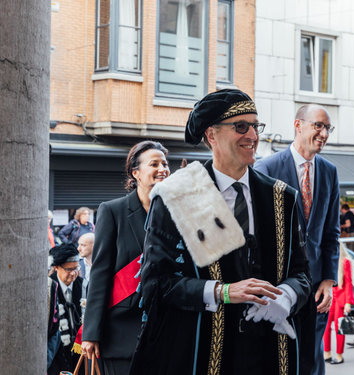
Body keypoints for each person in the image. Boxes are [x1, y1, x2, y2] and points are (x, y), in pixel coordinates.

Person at [130, 89, 313, 374]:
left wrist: (286, 297)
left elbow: (302, 273)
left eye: (256, 126)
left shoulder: (282, 197)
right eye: (241, 126)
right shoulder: (177, 195)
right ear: (212, 135)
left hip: (270, 353)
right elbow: (156, 284)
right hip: (205, 352)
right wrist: (221, 291)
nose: (252, 135)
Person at [255, 103, 340, 375]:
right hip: (278, 288)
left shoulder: (330, 171)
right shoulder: (266, 168)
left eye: (328, 128)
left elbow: (331, 232)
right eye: (318, 125)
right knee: (278, 360)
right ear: (298, 125)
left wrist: (329, 279)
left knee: (313, 363)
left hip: (316, 289)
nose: (324, 133)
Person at [81, 141, 170, 374]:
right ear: (135, 173)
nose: (163, 168)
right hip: (121, 334)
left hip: (165, 331)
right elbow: (100, 273)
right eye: (154, 164)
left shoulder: (176, 212)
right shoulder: (113, 211)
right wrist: (91, 333)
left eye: (165, 163)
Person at [48, 243, 87, 375]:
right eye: (69, 269)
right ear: (57, 267)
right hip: (57, 356)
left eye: (76, 268)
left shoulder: (84, 286)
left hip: (81, 355)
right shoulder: (49, 289)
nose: (74, 274)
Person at [323, 243, 354, 365]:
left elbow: (349, 283)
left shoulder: (345, 261)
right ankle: (327, 353)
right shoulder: (328, 260)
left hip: (341, 299)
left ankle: (339, 355)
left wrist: (348, 302)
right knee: (325, 326)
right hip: (331, 296)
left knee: (339, 328)